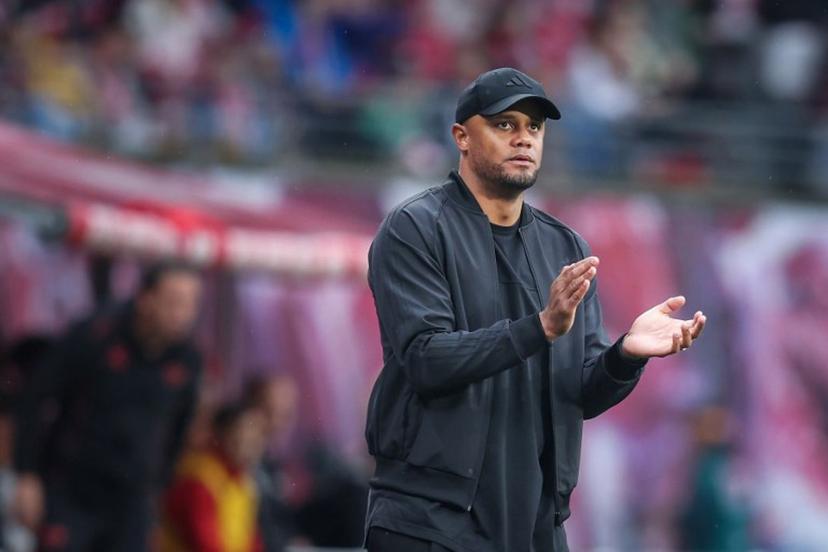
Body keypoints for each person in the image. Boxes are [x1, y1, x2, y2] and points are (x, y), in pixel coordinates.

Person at [363, 67, 706, 552]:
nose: (524, 138)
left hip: (535, 526)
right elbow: (426, 359)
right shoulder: (414, 228)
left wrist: (625, 356)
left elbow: (579, 394)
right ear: (461, 136)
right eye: (505, 124)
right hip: (429, 522)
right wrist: (540, 327)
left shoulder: (566, 245)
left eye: (535, 127)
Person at [13, 261, 204, 552]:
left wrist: (159, 485)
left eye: (192, 305)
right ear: (145, 299)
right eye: (175, 302)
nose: (184, 315)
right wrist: (27, 473)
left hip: (132, 500)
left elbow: (179, 429)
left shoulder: (187, 360)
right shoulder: (96, 335)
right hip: (74, 491)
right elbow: (36, 397)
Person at [160, 400, 266, 552]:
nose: (250, 447)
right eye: (242, 438)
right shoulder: (199, 478)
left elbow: (251, 541)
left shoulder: (243, 482)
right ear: (221, 434)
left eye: (256, 439)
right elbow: (204, 544)